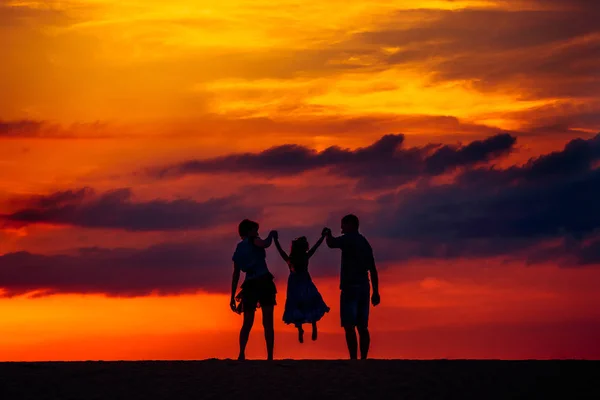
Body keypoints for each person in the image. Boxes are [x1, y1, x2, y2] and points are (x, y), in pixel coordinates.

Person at [323, 214, 380, 360]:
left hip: (350, 287)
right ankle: (364, 358)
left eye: (343, 225)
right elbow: (373, 269)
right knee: (362, 326)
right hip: (364, 286)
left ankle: (354, 358)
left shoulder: (348, 239)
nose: (341, 228)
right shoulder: (364, 242)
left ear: (351, 225)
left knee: (349, 325)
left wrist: (328, 234)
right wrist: (375, 292)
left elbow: (331, 243)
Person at [230, 219, 278, 361]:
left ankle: (241, 354)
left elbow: (236, 274)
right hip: (263, 282)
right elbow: (265, 244)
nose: (257, 233)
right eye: (255, 230)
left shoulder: (238, 248)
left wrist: (232, 295)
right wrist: (271, 235)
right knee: (268, 322)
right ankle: (270, 356)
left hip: (249, 284)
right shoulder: (254, 240)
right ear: (249, 231)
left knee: (247, 323)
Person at [273, 231, 330, 343]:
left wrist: (275, 240)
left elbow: (281, 251)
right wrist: (323, 237)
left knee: (298, 305)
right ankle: (311, 325)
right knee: (309, 303)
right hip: (302, 281)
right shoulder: (303, 256)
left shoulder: (292, 258)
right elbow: (315, 247)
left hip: (297, 282)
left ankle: (301, 328)